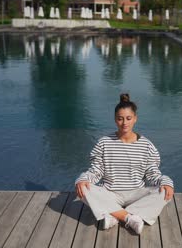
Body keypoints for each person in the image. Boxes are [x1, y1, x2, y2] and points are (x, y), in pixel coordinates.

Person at [75, 93, 174, 234]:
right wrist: (84, 178)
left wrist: (166, 182)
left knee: (165, 192)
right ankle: (130, 217)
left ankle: (113, 215)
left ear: (135, 119)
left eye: (128, 118)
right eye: (120, 119)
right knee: (82, 188)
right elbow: (96, 170)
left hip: (136, 194)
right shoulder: (104, 143)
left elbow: (153, 174)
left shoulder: (146, 145)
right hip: (110, 193)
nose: (124, 123)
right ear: (115, 120)